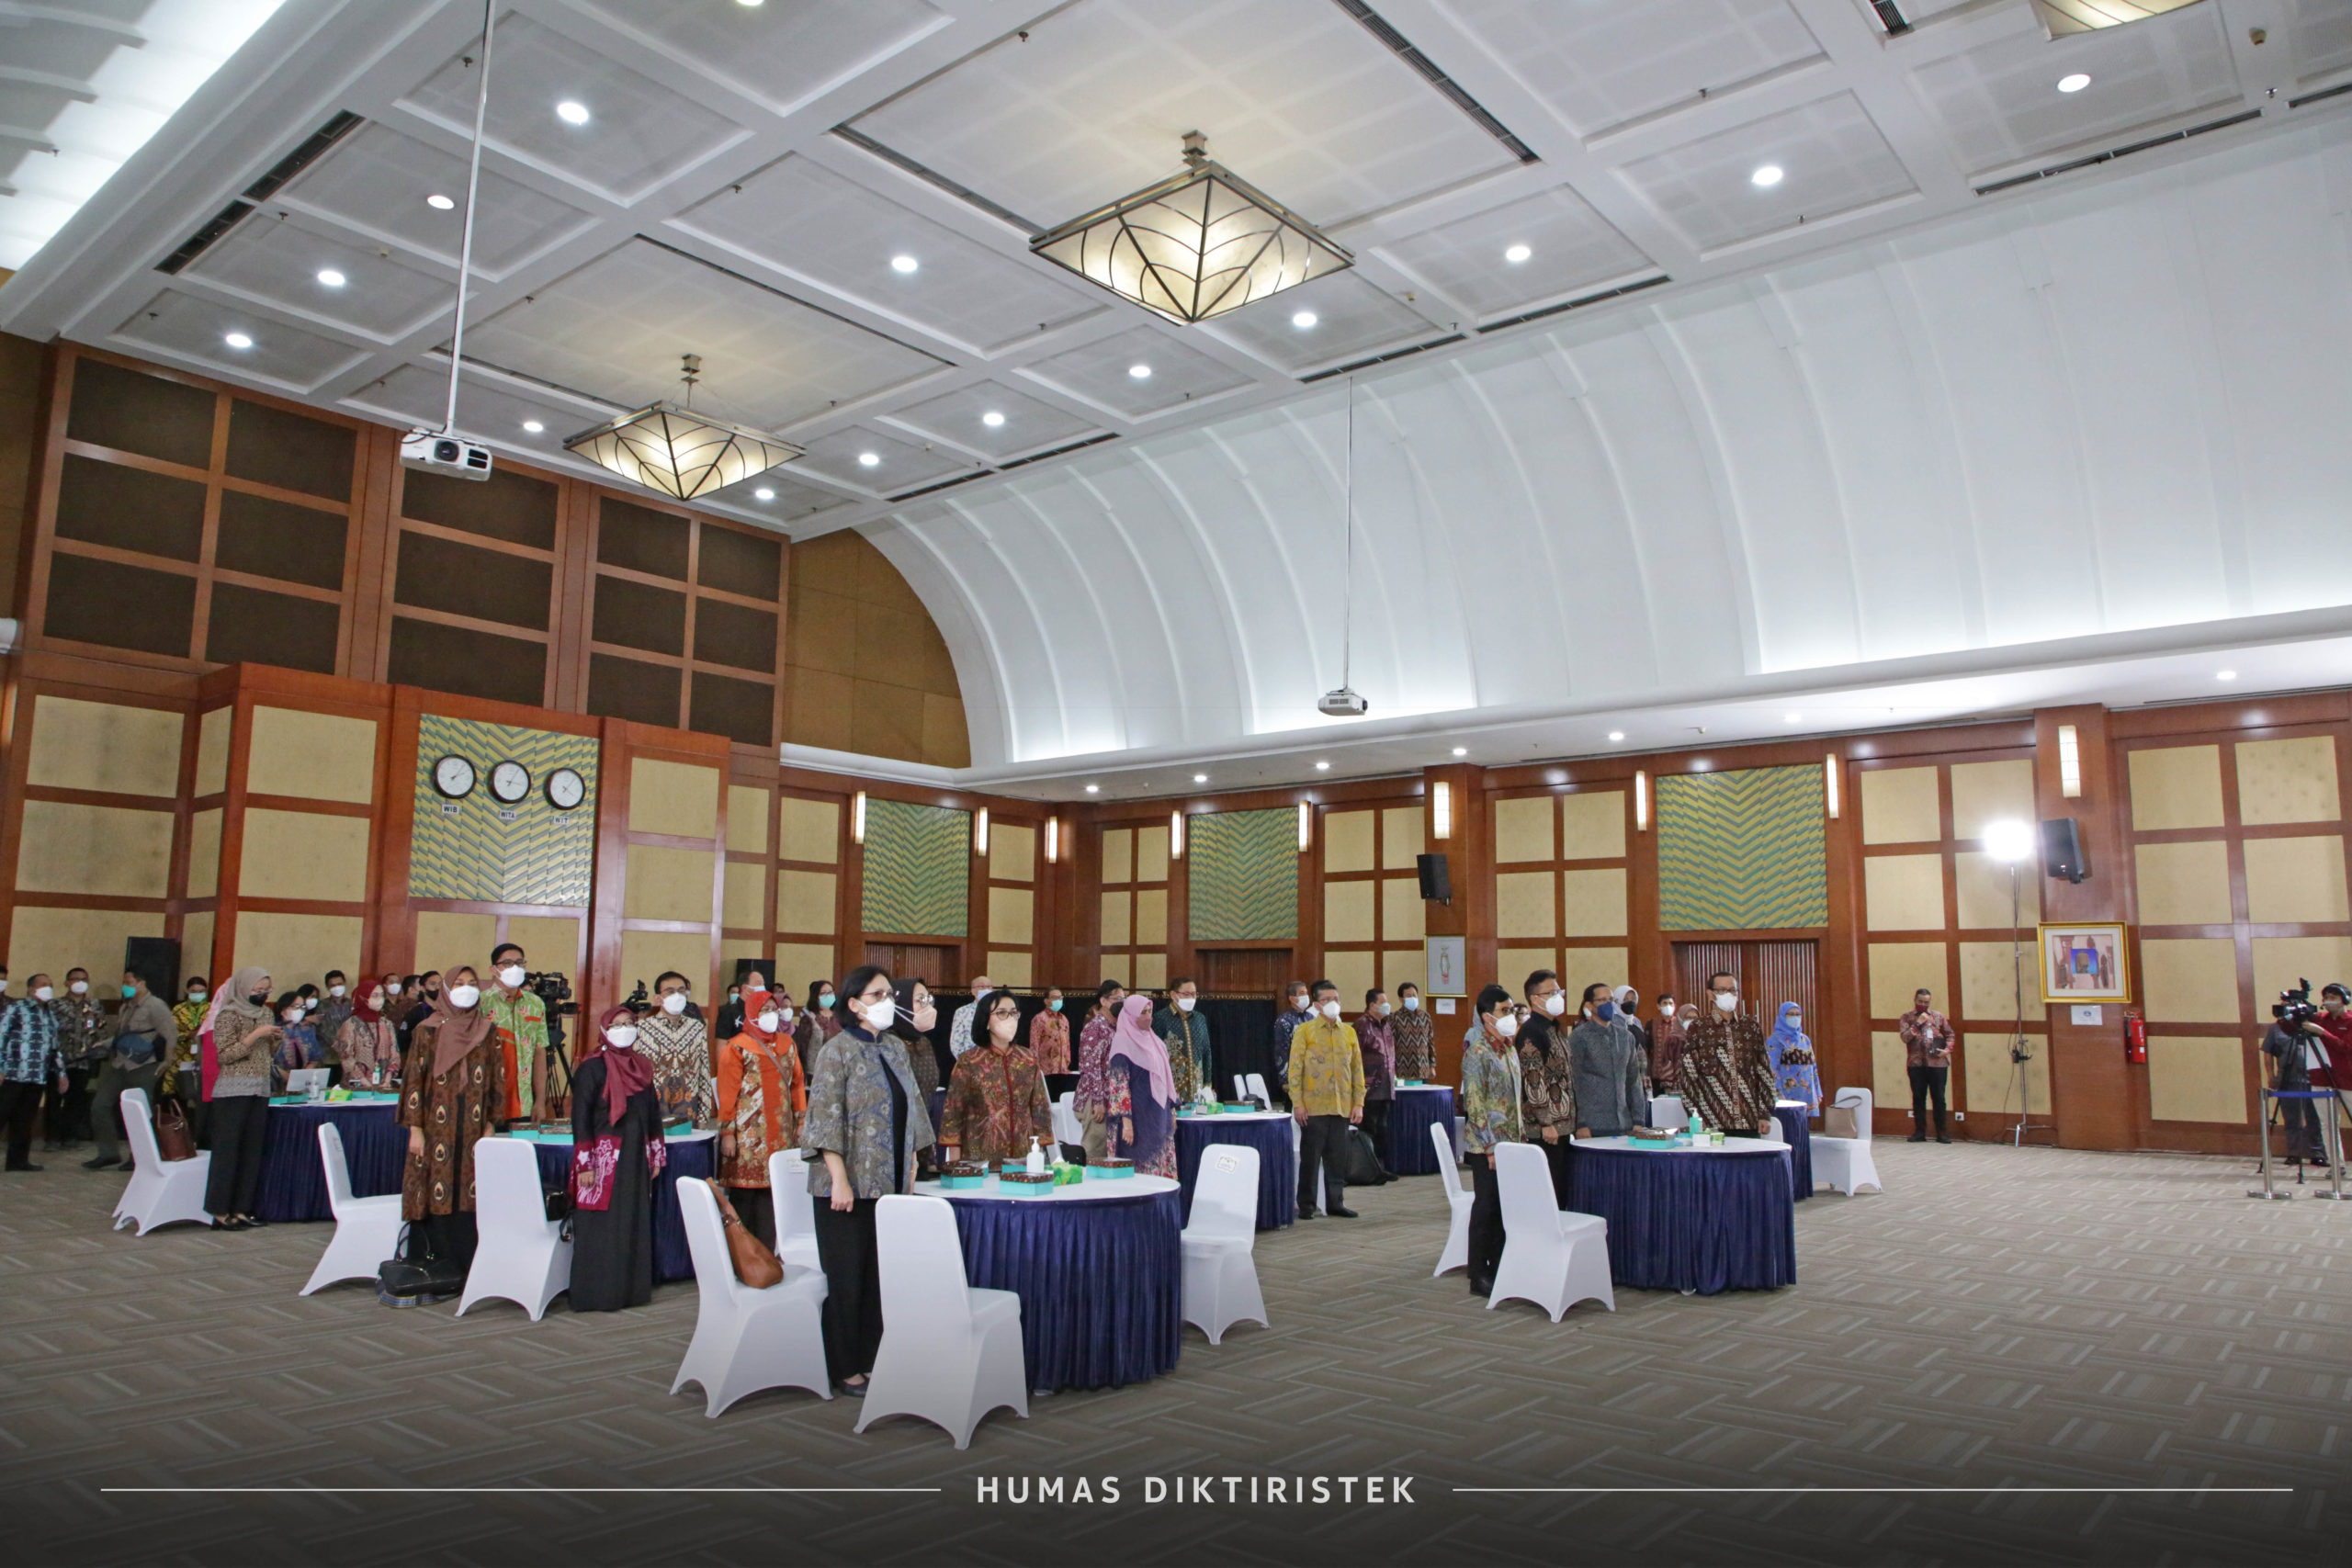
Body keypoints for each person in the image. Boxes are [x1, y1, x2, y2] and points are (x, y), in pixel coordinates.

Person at [802, 965, 933, 1397]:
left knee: (879, 1276)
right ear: (855, 1004)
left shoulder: (894, 1047)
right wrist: (839, 1180)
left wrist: (912, 1165)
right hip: (845, 1187)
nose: (887, 1001)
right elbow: (825, 1120)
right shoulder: (836, 1050)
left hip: (889, 1183)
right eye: (878, 995)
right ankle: (845, 1368)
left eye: (890, 994)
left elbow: (913, 1108)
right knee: (848, 1278)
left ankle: (872, 1357)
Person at [399, 965, 510, 1272]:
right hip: (434, 1126)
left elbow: (496, 1080)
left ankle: (467, 1266)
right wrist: (415, 1130)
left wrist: (491, 1124)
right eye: (459, 983)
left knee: (469, 1187)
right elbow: (414, 1081)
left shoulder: (487, 1031)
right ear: (446, 990)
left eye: (472, 983)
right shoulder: (427, 1030)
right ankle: (432, 1264)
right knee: (435, 1184)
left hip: (474, 1124)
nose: (467, 988)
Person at [571, 1002, 662, 1312]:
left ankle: (629, 1292)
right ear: (604, 1030)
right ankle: (597, 1294)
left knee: (631, 1220)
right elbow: (580, 1118)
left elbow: (652, 1114)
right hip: (602, 1159)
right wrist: (585, 1165)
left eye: (630, 1023)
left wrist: (655, 1155)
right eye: (617, 1025)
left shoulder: (642, 1066)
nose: (625, 1030)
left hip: (635, 1156)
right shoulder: (592, 1068)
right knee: (602, 1226)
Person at [717, 984, 805, 1249]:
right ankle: (745, 1254)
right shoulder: (736, 1047)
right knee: (745, 1197)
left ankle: (768, 1253)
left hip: (781, 1133)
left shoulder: (788, 1045)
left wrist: (801, 1121)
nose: (771, 1014)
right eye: (764, 1010)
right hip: (747, 1136)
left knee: (774, 1195)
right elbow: (727, 1092)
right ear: (751, 1012)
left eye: (774, 1009)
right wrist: (727, 1133)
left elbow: (797, 1085)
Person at [1458, 985, 1524, 1298]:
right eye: (1504, 1011)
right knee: (1486, 1207)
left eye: (1512, 1010)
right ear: (1487, 1017)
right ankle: (1478, 1273)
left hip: (1512, 1143)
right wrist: (1489, 1146)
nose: (1511, 1016)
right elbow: (1474, 1103)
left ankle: (1499, 1265)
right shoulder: (1477, 1053)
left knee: (1503, 1207)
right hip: (1486, 1147)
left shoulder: (1509, 1048)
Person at [940, 988, 1053, 1169]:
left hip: (1023, 1158)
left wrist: (1039, 1151)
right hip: (979, 1160)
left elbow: (1040, 1107)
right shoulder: (970, 1061)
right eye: (1001, 1013)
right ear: (986, 1020)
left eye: (1013, 1013)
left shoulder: (1028, 1059)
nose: (1009, 1018)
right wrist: (955, 1163)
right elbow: (953, 1112)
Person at [206, 966, 281, 1230]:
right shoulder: (228, 1015)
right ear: (242, 988)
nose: (262, 994)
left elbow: (269, 1053)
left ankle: (241, 1208)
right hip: (232, 1090)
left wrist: (275, 1039)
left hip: (259, 1088)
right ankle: (219, 1211)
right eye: (257, 990)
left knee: (251, 1152)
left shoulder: (266, 1013)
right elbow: (225, 1055)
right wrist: (255, 1035)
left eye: (266, 990)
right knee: (228, 1152)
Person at [1288, 979, 1365, 1220]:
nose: (1333, 1003)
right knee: (1311, 1159)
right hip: (1313, 1107)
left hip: (1342, 1105)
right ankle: (1307, 1205)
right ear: (1317, 1004)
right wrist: (1298, 1103)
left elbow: (1357, 1070)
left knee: (1337, 1158)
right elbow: (1295, 1070)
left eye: (1336, 999)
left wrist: (1358, 1103)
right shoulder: (1305, 1031)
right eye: (1327, 999)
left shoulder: (1349, 1032)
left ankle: (1336, 1202)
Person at [86, 970, 175, 1170]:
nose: (125, 986)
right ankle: (108, 1153)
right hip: (119, 1063)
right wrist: (104, 1044)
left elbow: (171, 1034)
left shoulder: (156, 1006)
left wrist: (168, 1061)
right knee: (100, 1105)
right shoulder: (125, 1007)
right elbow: (123, 1035)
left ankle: (139, 1157)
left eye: (129, 982)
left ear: (141, 983)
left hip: (143, 1065)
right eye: (124, 982)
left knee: (140, 1111)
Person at [1682, 970, 1775, 1137]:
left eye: (1732, 990)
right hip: (1712, 1121)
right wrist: (1694, 1115)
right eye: (1722, 990)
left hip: (1748, 1120)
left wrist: (1764, 1113)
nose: (1729, 994)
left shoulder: (1750, 1027)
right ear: (1710, 994)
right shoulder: (1698, 1028)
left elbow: (1764, 1071)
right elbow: (1688, 1075)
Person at [1517, 970, 1577, 1202]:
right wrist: (1546, 1122)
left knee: (1562, 1189)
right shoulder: (1531, 1032)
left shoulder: (1555, 1029)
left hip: (1563, 1126)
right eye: (1551, 993)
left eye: (1558, 992)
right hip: (1545, 1130)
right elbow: (1533, 1080)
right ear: (1535, 999)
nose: (1557, 997)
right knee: (1548, 1191)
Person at [1104, 993, 1178, 1179]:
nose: (1148, 1017)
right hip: (1135, 1119)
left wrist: (1172, 1111)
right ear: (1130, 1015)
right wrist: (1127, 1124)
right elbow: (1119, 1087)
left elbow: (1167, 1080)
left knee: (1159, 1165)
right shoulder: (1122, 1044)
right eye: (1142, 1012)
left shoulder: (1155, 1042)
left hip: (1158, 1115)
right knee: (1138, 1168)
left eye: (1149, 1011)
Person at [0, 976, 65, 1172]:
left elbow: (55, 1048)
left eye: (50, 985)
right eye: (43, 985)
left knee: (24, 1120)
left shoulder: (50, 1014)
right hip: (12, 1074)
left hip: (37, 1076)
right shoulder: (16, 1008)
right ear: (30, 988)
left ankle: (17, 1161)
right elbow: (1, 1036)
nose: (48, 988)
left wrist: (62, 1074)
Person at [483, 943, 554, 1122]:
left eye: (519, 963)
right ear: (493, 969)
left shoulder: (535, 1004)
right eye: (507, 963)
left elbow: (540, 1053)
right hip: (489, 1101)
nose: (514, 968)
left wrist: (540, 1101)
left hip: (524, 1103)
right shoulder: (482, 1003)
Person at [1567, 982, 1645, 1139]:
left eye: (1610, 1000)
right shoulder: (1579, 1037)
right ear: (1589, 1006)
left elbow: (1634, 1080)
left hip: (1624, 1123)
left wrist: (1638, 1119)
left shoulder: (1626, 1037)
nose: (1608, 1004)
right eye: (1602, 1000)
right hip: (1593, 1124)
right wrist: (1581, 1123)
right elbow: (1574, 1082)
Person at [637, 971, 714, 1127]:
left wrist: (703, 1117)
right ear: (658, 998)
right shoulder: (642, 1029)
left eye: (681, 991)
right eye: (670, 991)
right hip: (651, 1110)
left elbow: (704, 1073)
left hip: (688, 1111)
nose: (677, 996)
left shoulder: (696, 1028)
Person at [45, 968, 104, 1151]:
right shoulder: (54, 1004)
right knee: (54, 1099)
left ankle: (70, 1136)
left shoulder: (94, 1005)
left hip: (83, 1061)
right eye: (75, 979)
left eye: (84, 979)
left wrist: (99, 1055)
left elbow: (100, 1031)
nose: (80, 982)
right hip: (57, 1061)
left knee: (76, 1100)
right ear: (67, 982)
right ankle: (52, 1138)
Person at [2262, 1007, 2327, 1166]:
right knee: (2292, 1120)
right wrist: (2271, 1075)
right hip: (2288, 1080)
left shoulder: (2312, 1025)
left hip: (2314, 1079)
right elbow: (2268, 1051)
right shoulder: (2278, 1027)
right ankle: (2294, 1153)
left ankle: (2318, 1153)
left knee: (2315, 1119)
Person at [1073, 979, 1125, 1161]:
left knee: (1109, 1153)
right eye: (1117, 999)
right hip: (1095, 1099)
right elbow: (1090, 1067)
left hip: (1111, 1096)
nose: (1121, 1003)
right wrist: (1097, 1101)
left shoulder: (1116, 1026)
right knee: (1095, 1151)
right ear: (1103, 1001)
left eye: (1123, 999)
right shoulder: (1095, 1027)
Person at [1897, 987, 1954, 1144]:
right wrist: (1917, 1024)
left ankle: (1942, 1133)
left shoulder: (1938, 1016)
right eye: (1920, 1001)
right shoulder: (1907, 1017)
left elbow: (1950, 1034)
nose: (1923, 1005)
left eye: (1926, 1002)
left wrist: (1947, 1050)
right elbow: (1905, 1038)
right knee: (1918, 1097)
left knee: (1939, 1098)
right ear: (1915, 1000)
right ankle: (1919, 1132)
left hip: (1937, 1064)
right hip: (1916, 1064)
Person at [1356, 988, 1397, 1172]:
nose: (1387, 1006)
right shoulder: (1362, 1025)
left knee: (1383, 1129)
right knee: (1369, 1129)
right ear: (1372, 1005)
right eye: (1383, 1002)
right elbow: (1355, 1057)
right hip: (1370, 1088)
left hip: (1386, 1086)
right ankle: (1368, 1169)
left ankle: (1381, 1168)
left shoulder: (1386, 1025)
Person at [335, 979, 400, 1091]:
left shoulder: (387, 1023)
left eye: (382, 995)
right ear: (363, 998)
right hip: (357, 1086)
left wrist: (387, 1080)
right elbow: (346, 1056)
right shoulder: (351, 1024)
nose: (380, 999)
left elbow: (394, 1053)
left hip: (383, 1085)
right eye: (375, 995)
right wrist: (364, 1081)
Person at [1159, 976, 1213, 1104]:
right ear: (1173, 995)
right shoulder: (1160, 1019)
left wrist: (1207, 1083)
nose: (1191, 997)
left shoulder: (1200, 1019)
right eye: (1187, 994)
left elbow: (1206, 1051)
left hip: (1197, 1088)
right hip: (1170, 1087)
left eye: (1194, 994)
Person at [165, 976, 210, 1128]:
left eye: (201, 991)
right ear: (187, 991)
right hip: (181, 1057)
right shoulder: (178, 1010)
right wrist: (188, 1035)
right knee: (181, 1094)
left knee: (201, 1094)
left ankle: (199, 1129)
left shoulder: (212, 1009)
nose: (198, 994)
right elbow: (171, 1033)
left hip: (204, 1057)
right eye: (194, 991)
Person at [892, 978, 944, 1099]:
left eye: (928, 999)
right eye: (920, 999)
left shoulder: (923, 1042)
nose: (927, 1006)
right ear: (901, 1002)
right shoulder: (886, 1043)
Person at [1768, 1001, 1822, 1113]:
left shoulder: (1805, 1040)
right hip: (1787, 1095)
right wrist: (1778, 1093)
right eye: (1791, 1014)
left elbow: (1813, 1067)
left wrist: (1818, 1092)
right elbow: (1772, 1069)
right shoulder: (1775, 1040)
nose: (1795, 1017)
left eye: (1798, 1014)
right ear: (1783, 1016)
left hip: (1807, 1094)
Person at [1272, 982, 1314, 1105]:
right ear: (1292, 998)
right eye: (1302, 993)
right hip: (1294, 1076)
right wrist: (1285, 1080)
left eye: (1306, 993)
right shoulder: (1284, 1021)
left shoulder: (1311, 1018)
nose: (1306, 997)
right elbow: (1281, 1052)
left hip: (1312, 1075)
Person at [793, 978, 840, 1082]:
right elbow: (802, 1048)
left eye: (830, 992)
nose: (828, 996)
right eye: (823, 993)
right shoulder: (809, 1019)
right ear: (815, 996)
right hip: (816, 1072)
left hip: (838, 1070)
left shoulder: (840, 1017)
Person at [269, 992, 321, 1086]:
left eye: (302, 1007)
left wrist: (306, 1072)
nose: (300, 1010)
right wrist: (286, 1076)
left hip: (304, 1081)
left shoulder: (307, 1030)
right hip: (277, 1082)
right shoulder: (272, 1031)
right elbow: (266, 1060)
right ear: (283, 1010)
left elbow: (315, 1057)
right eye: (296, 1007)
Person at [311, 971, 353, 1081]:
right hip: (328, 1057)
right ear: (327, 987)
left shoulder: (352, 1004)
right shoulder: (322, 1005)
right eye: (333, 985)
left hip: (350, 1056)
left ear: (344, 983)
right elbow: (324, 1030)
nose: (337, 987)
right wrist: (339, 1047)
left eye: (339, 984)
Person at [1390, 982, 1435, 1083]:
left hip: (1424, 1070)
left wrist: (1432, 1065)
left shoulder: (1425, 1016)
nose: (1412, 998)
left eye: (1414, 995)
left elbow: (1430, 1042)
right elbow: (1391, 1045)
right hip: (1403, 1071)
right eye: (1408, 996)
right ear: (1401, 999)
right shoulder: (1394, 1018)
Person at [1028, 987, 1071, 1083]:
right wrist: (1036, 1067)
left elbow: (1067, 1043)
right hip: (1046, 1070)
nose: (1058, 1000)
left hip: (1063, 1069)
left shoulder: (1064, 1019)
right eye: (1055, 998)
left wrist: (1067, 1060)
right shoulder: (1039, 1019)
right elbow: (1034, 1044)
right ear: (1046, 1001)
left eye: (1060, 998)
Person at [946, 974, 991, 1061]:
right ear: (973, 991)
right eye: (982, 987)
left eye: (989, 987)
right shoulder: (962, 1012)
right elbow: (955, 1044)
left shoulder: (998, 1011)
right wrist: (966, 1063)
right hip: (970, 1061)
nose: (986, 989)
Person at [1649, 993, 1686, 1094]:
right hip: (1656, 1074)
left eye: (1670, 1003)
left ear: (1675, 1006)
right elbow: (1648, 1048)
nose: (1668, 1006)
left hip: (1676, 1076)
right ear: (1658, 1006)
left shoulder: (1681, 1024)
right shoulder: (1652, 1024)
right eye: (1665, 1003)